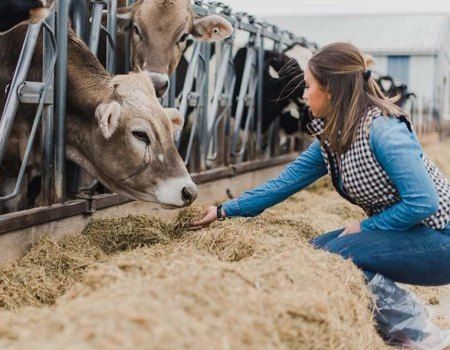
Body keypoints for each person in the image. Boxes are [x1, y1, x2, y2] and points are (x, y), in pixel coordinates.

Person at [191, 42, 450, 349]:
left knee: (338, 255)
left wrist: (367, 227)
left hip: (441, 239)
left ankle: (422, 334)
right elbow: (284, 182)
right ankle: (395, 326)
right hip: (414, 233)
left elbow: (423, 202)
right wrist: (224, 210)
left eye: (308, 86)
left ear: (331, 90)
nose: (303, 95)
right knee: (314, 252)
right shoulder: (334, 135)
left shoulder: (383, 131)